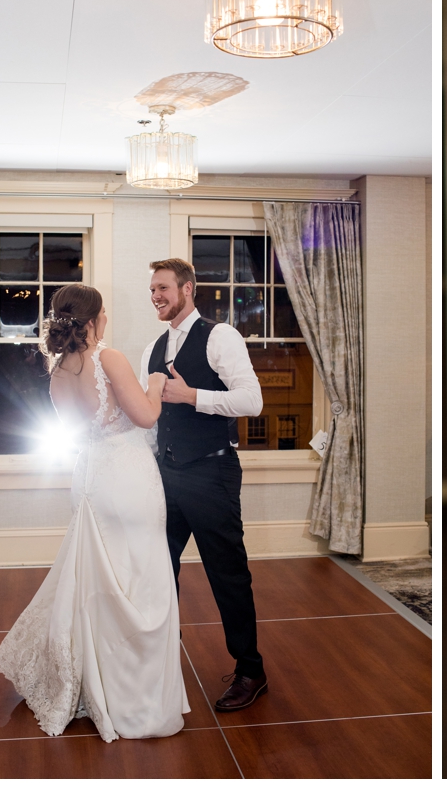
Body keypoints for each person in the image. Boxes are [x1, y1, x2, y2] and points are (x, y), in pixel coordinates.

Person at [0, 285, 188, 741]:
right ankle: (136, 698)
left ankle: (97, 681)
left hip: (90, 478)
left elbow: (80, 429)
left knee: (102, 582)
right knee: (143, 580)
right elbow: (143, 416)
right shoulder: (109, 357)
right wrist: (156, 386)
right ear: (96, 319)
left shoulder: (58, 371)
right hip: (128, 477)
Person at [143, 258, 271, 710]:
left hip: (212, 472)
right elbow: (149, 422)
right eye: (152, 289)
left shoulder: (220, 336)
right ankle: (160, 659)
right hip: (166, 474)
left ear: (187, 288)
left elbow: (251, 401)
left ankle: (250, 670)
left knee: (227, 574)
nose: (156, 295)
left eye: (163, 287)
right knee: (158, 569)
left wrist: (193, 395)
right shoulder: (153, 348)